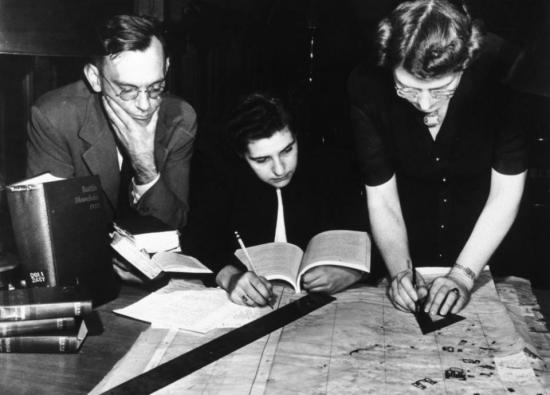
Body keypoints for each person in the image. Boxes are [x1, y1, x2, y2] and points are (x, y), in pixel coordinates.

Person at [348, 0, 527, 316]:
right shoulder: (367, 89)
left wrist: (462, 274)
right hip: (411, 235)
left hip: (486, 243)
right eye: (408, 89)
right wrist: (400, 271)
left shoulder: (501, 82)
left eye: (442, 89)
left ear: (463, 65)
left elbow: (505, 195)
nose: (425, 104)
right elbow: (382, 197)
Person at [181, 93, 366, 307]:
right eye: (262, 159)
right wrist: (229, 276)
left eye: (287, 150)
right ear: (242, 156)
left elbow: (374, 231)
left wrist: (354, 271)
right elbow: (196, 239)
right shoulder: (222, 175)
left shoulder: (327, 166)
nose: (279, 169)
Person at [26, 14, 196, 229]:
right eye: (127, 90)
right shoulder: (54, 117)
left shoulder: (181, 118)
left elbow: (174, 224)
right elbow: (52, 227)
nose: (144, 105)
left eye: (156, 88)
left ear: (167, 67)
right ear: (95, 78)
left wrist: (145, 165)